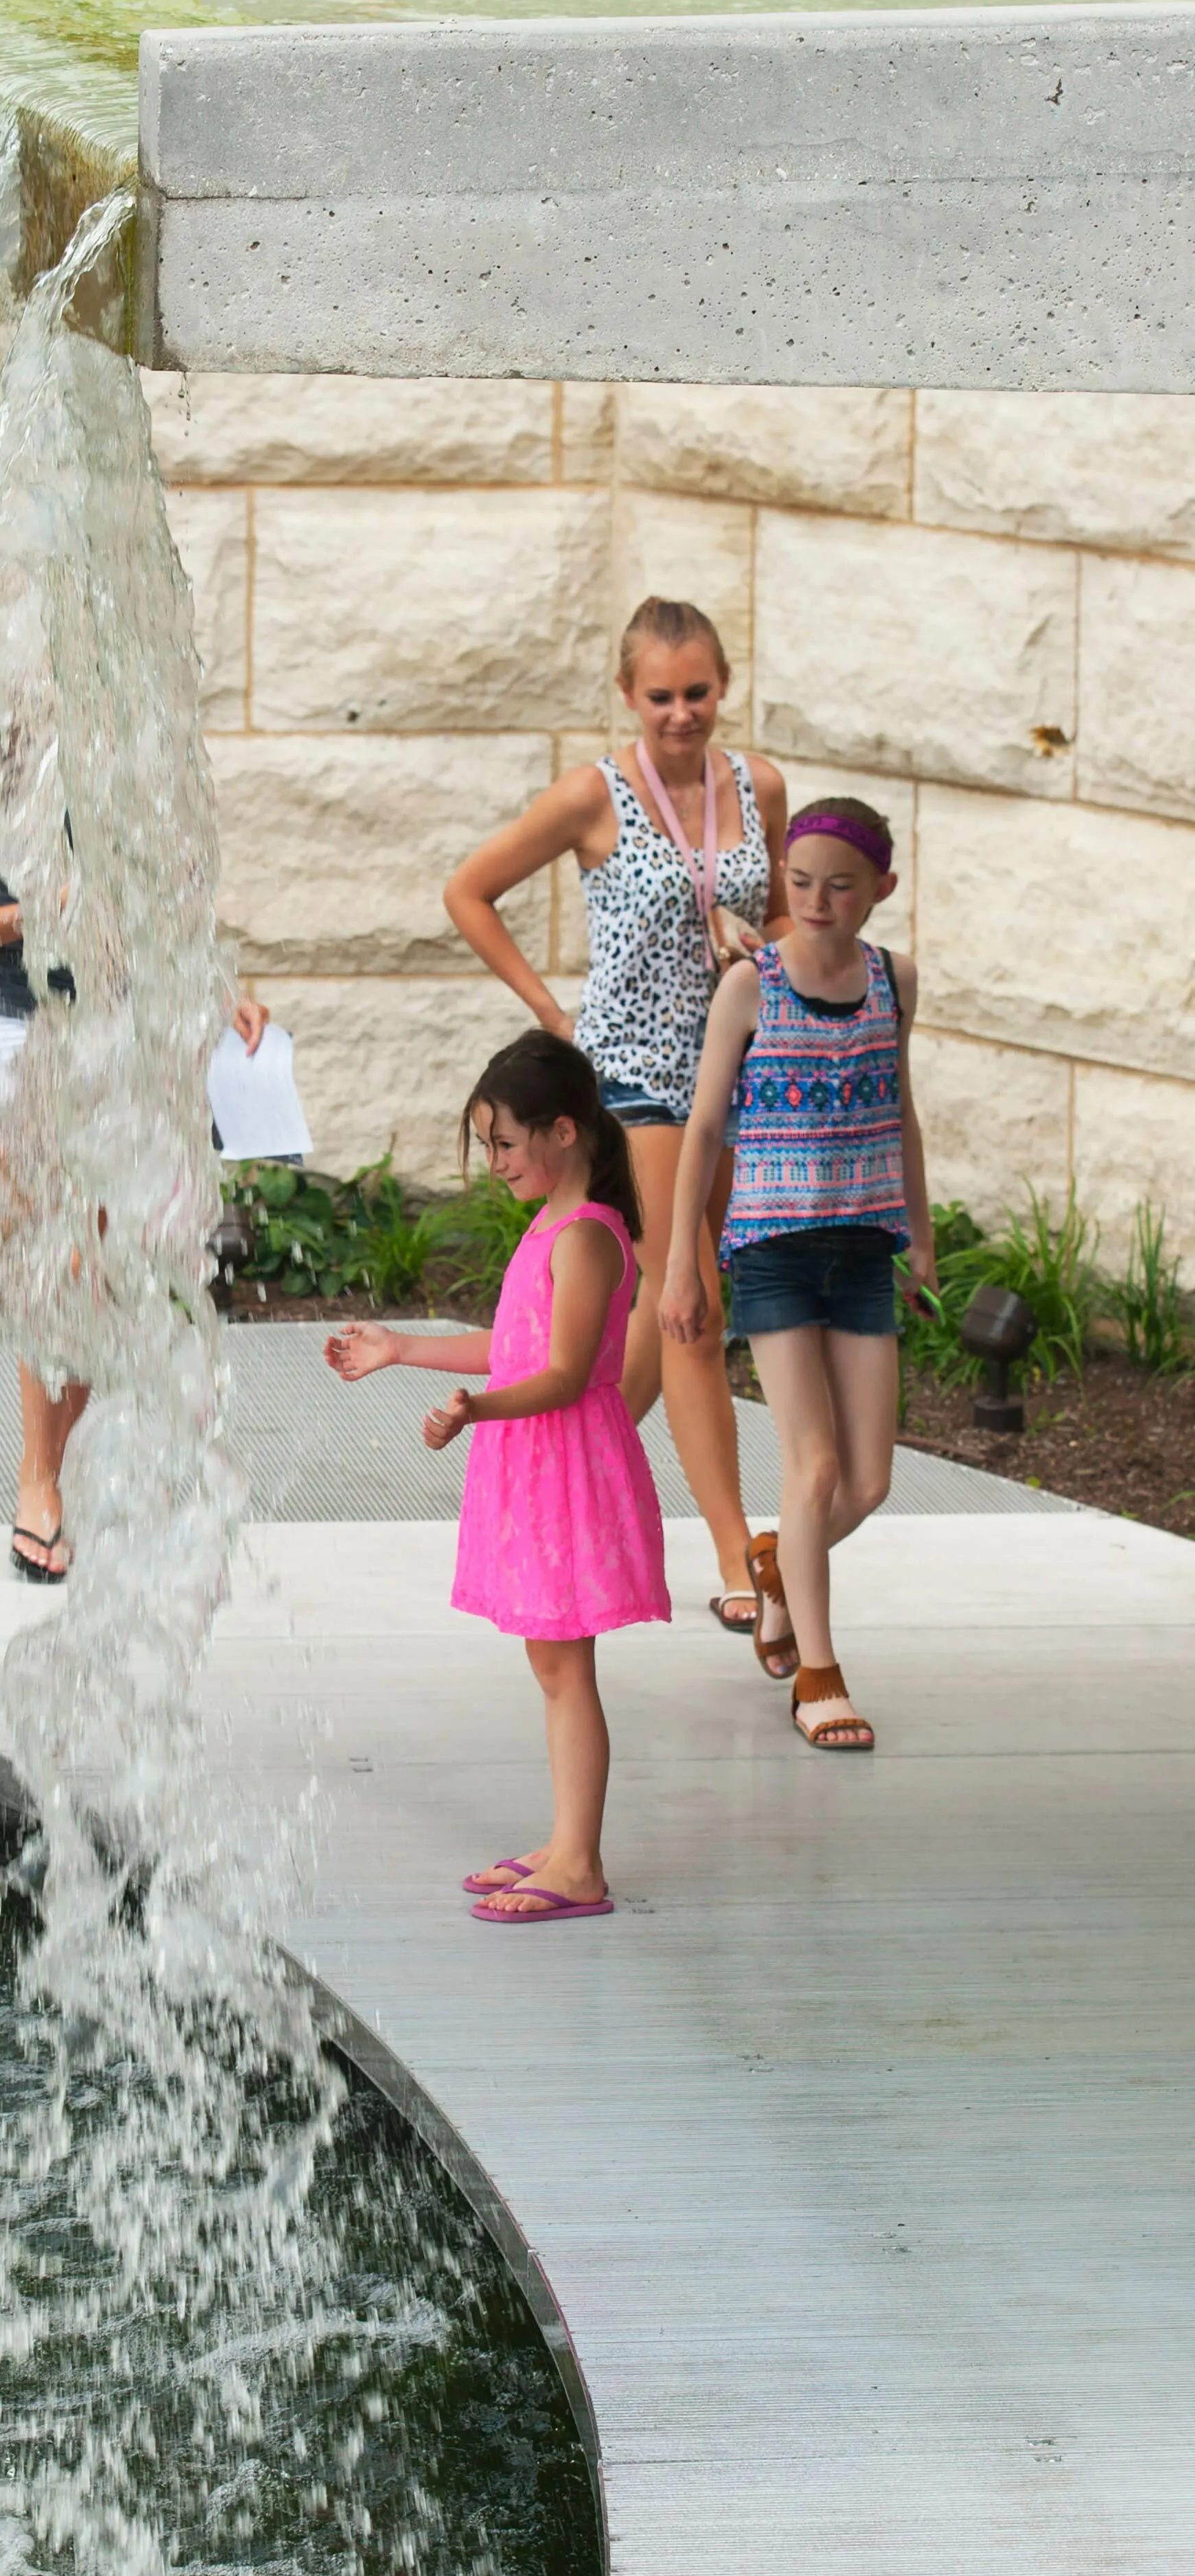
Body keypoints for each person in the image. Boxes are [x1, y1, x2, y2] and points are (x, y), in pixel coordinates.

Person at [442, 597, 788, 1640]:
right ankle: (738, 1558)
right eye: (660, 696)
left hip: (732, 1068)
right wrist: (555, 1014)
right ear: (628, 695)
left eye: (698, 692)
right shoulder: (595, 795)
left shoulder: (757, 786)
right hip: (633, 1078)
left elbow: (779, 911)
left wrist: (759, 946)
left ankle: (558, 1492)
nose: (681, 713)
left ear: (723, 685)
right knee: (692, 1303)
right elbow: (469, 891)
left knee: (644, 1332)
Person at [325, 1032, 668, 1923]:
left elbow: (563, 1372)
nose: (493, 1163)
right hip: (537, 1464)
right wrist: (403, 1349)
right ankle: (564, 1843)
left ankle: (581, 1864)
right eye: (486, 1146)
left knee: (565, 1666)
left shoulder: (587, 1236)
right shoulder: (554, 1225)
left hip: (566, 1470)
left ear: (562, 1131)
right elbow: (513, 1345)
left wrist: (477, 1409)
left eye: (504, 1144)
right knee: (550, 1663)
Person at [660, 798, 934, 1752]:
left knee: (867, 1485)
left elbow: (899, 1111)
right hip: (770, 1246)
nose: (817, 899)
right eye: (802, 881)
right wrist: (678, 1273)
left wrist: (921, 1237)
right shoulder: (752, 986)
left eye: (841, 884)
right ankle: (819, 1673)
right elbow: (700, 1130)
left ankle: (774, 1576)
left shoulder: (894, 981)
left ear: (881, 891)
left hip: (862, 1247)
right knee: (813, 1467)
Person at [0, 873, 267, 1583]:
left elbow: (163, 895)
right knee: (51, 1260)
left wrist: (218, 996)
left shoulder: (129, 756)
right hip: (23, 1025)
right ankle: (38, 1478)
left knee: (95, 1265)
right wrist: (41, 913)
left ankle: (55, 1473)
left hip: (126, 1027)